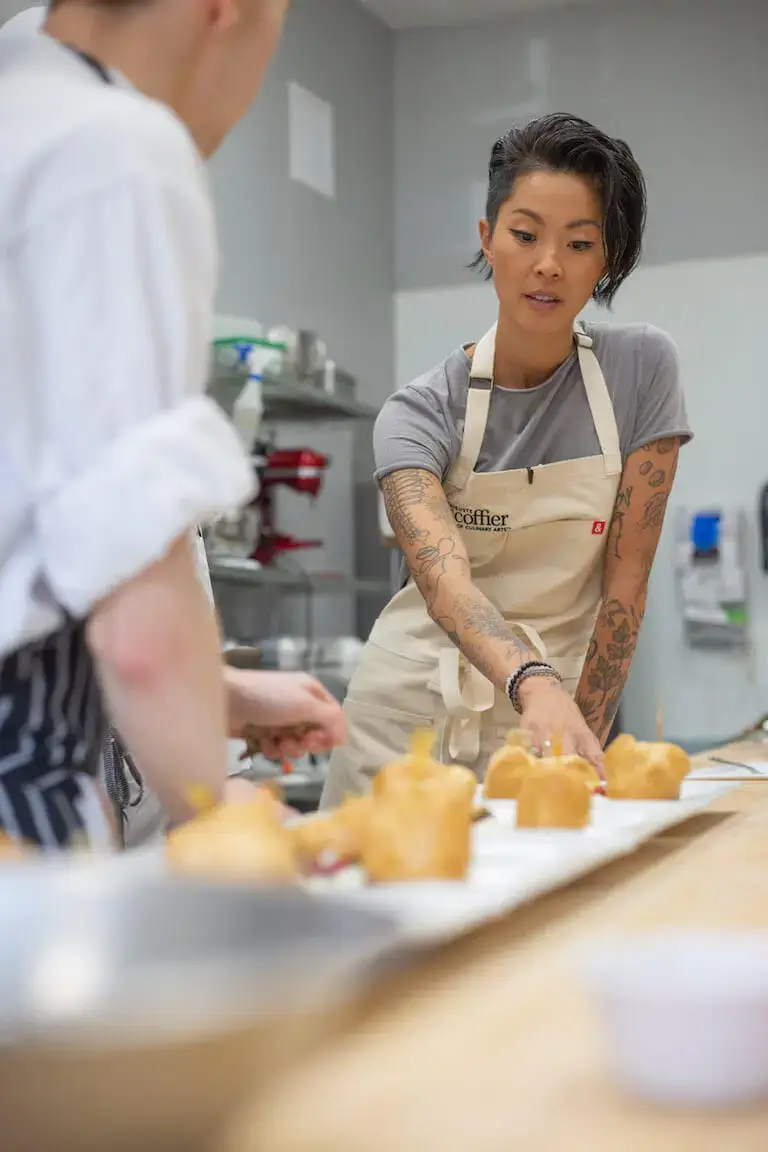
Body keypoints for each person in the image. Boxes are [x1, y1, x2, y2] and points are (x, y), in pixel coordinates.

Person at [0, 0, 343, 849]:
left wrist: (221, 695)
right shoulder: (116, 150)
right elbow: (140, 635)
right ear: (225, 10)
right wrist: (217, 813)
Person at [321, 113, 692, 808]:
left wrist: (587, 727)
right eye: (525, 235)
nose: (548, 263)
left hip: (551, 730)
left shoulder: (642, 371)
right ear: (488, 239)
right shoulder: (419, 412)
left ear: (605, 260)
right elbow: (445, 584)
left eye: (579, 243)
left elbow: (626, 585)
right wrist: (534, 681)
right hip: (404, 727)